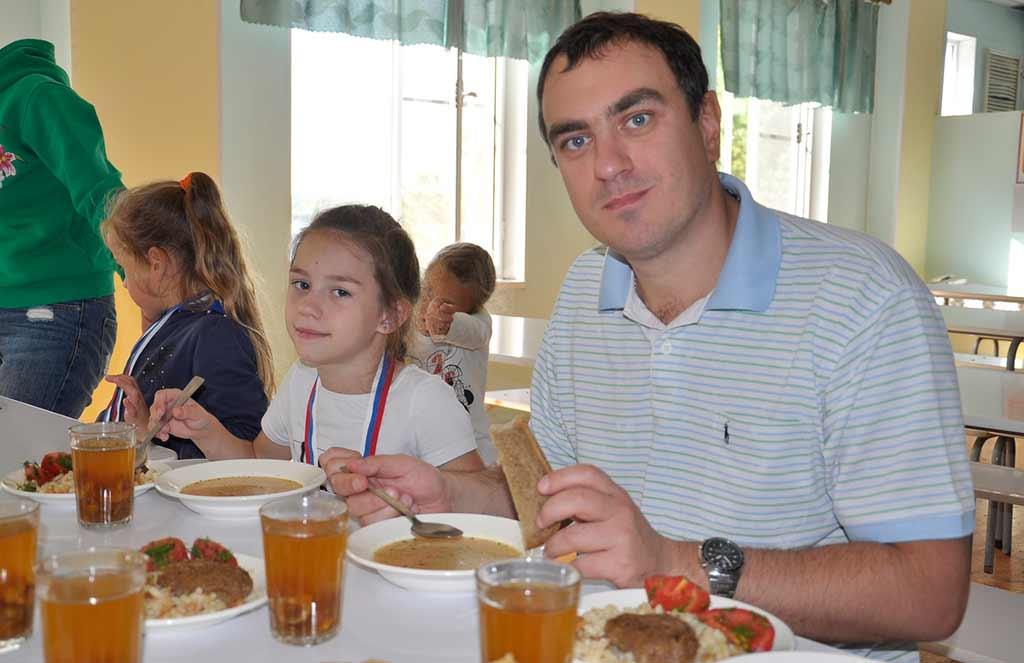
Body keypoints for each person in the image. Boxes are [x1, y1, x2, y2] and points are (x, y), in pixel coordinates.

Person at [323, 12, 974, 661]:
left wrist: (672, 561)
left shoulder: (863, 296)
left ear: (707, 123)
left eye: (637, 119)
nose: (608, 164)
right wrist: (453, 495)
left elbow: (930, 591)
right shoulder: (584, 289)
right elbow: (550, 494)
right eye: (576, 140)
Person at [151, 205, 484, 473]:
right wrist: (204, 429)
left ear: (391, 315)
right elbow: (259, 463)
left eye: (340, 291)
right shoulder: (302, 380)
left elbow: (472, 510)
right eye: (302, 285)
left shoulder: (425, 401)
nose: (308, 306)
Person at [100, 172, 273, 459]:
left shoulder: (216, 335)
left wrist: (160, 436)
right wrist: (144, 427)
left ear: (156, 264)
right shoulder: (175, 326)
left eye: (125, 269)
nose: (125, 283)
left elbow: (245, 445)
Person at [0, 38, 123, 417]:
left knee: (16, 448)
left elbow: (101, 192)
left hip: (56, 309)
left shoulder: (36, 97)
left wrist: (153, 281)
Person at [409, 243, 498, 463]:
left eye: (445, 304)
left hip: (471, 439)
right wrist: (422, 332)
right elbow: (412, 349)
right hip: (426, 435)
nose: (430, 304)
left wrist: (447, 324)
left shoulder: (479, 324)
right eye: (428, 290)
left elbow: (471, 331)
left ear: (472, 308)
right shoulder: (412, 322)